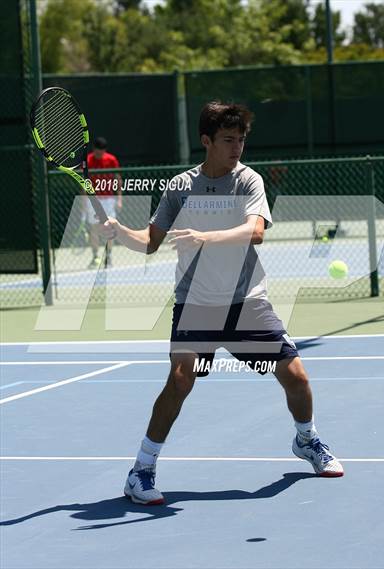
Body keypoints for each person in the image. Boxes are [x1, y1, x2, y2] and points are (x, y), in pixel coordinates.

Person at [101, 102, 344, 506]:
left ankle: (307, 439)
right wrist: (120, 231)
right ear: (206, 141)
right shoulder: (180, 187)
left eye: (241, 140)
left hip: (246, 301)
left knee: (296, 377)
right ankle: (141, 470)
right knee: (180, 380)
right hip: (196, 303)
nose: (237, 148)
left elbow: (256, 231)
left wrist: (204, 238)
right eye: (228, 140)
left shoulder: (248, 180)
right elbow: (150, 242)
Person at [86, 137, 122, 268]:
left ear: (105, 150)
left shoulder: (111, 159)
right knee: (94, 229)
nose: (99, 155)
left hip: (108, 200)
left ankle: (108, 256)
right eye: (97, 152)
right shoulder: (88, 160)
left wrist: (119, 199)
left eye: (102, 152)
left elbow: (118, 179)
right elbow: (84, 183)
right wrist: (84, 203)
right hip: (93, 199)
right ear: (93, 149)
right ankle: (95, 257)